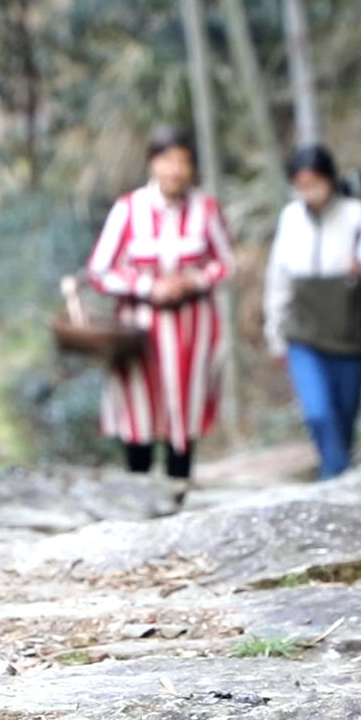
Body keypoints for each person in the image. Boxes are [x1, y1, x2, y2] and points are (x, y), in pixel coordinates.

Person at [86, 127, 236, 495]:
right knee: (139, 411)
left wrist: (193, 281)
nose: (175, 170)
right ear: (153, 163)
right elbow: (99, 270)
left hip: (192, 331)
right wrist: (147, 286)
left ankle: (178, 496)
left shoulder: (205, 209)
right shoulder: (128, 209)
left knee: (184, 412)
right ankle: (138, 497)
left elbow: (226, 263)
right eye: (167, 160)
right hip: (139, 331)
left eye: (184, 162)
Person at [263, 144, 361, 480]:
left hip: (349, 334)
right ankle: (335, 482)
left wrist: (360, 266)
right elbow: (279, 276)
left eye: (314, 183)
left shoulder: (357, 214)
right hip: (303, 331)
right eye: (301, 185)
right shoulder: (290, 217)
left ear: (330, 180)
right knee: (318, 412)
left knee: (344, 420)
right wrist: (274, 330)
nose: (309, 193)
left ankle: (334, 477)